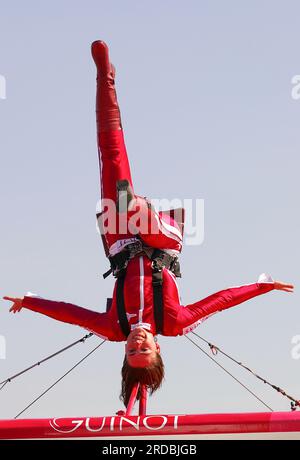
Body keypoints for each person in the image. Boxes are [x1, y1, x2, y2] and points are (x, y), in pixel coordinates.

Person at [3, 41, 294, 408]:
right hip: (163, 239)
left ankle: (104, 77)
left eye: (131, 352)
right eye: (145, 349)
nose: (136, 343)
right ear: (158, 348)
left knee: (111, 158)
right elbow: (221, 301)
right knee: (136, 215)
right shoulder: (175, 322)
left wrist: (29, 302)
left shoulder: (114, 328)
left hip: (120, 240)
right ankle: (136, 207)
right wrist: (262, 286)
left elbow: (70, 313)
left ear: (124, 353)